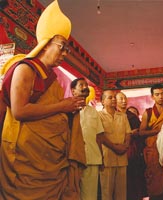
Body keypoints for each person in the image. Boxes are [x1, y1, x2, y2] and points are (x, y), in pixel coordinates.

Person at [0, 1, 87, 199]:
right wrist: (62, 105)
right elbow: (20, 111)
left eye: (67, 50)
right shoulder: (26, 69)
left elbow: (50, 110)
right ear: (46, 44)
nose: (64, 54)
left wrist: (69, 110)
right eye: (62, 47)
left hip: (49, 161)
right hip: (25, 160)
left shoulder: (52, 78)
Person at [70, 78, 104, 200]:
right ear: (73, 91)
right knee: (71, 193)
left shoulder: (94, 112)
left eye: (86, 85)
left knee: (90, 195)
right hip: (72, 159)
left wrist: (101, 157)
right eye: (81, 85)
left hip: (92, 158)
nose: (85, 87)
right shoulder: (67, 110)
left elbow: (99, 137)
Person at [98, 90, 131, 200]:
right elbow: (100, 136)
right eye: (110, 97)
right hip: (107, 159)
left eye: (114, 97)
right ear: (102, 101)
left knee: (121, 194)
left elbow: (128, 133)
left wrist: (125, 146)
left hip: (122, 158)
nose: (113, 99)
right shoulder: (98, 116)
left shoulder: (123, 116)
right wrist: (115, 147)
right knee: (106, 193)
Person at [116, 92, 147, 200]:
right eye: (121, 99)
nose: (124, 101)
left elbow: (141, 131)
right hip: (118, 149)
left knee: (134, 176)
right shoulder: (114, 115)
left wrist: (136, 132)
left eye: (125, 98)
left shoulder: (132, 116)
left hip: (133, 150)